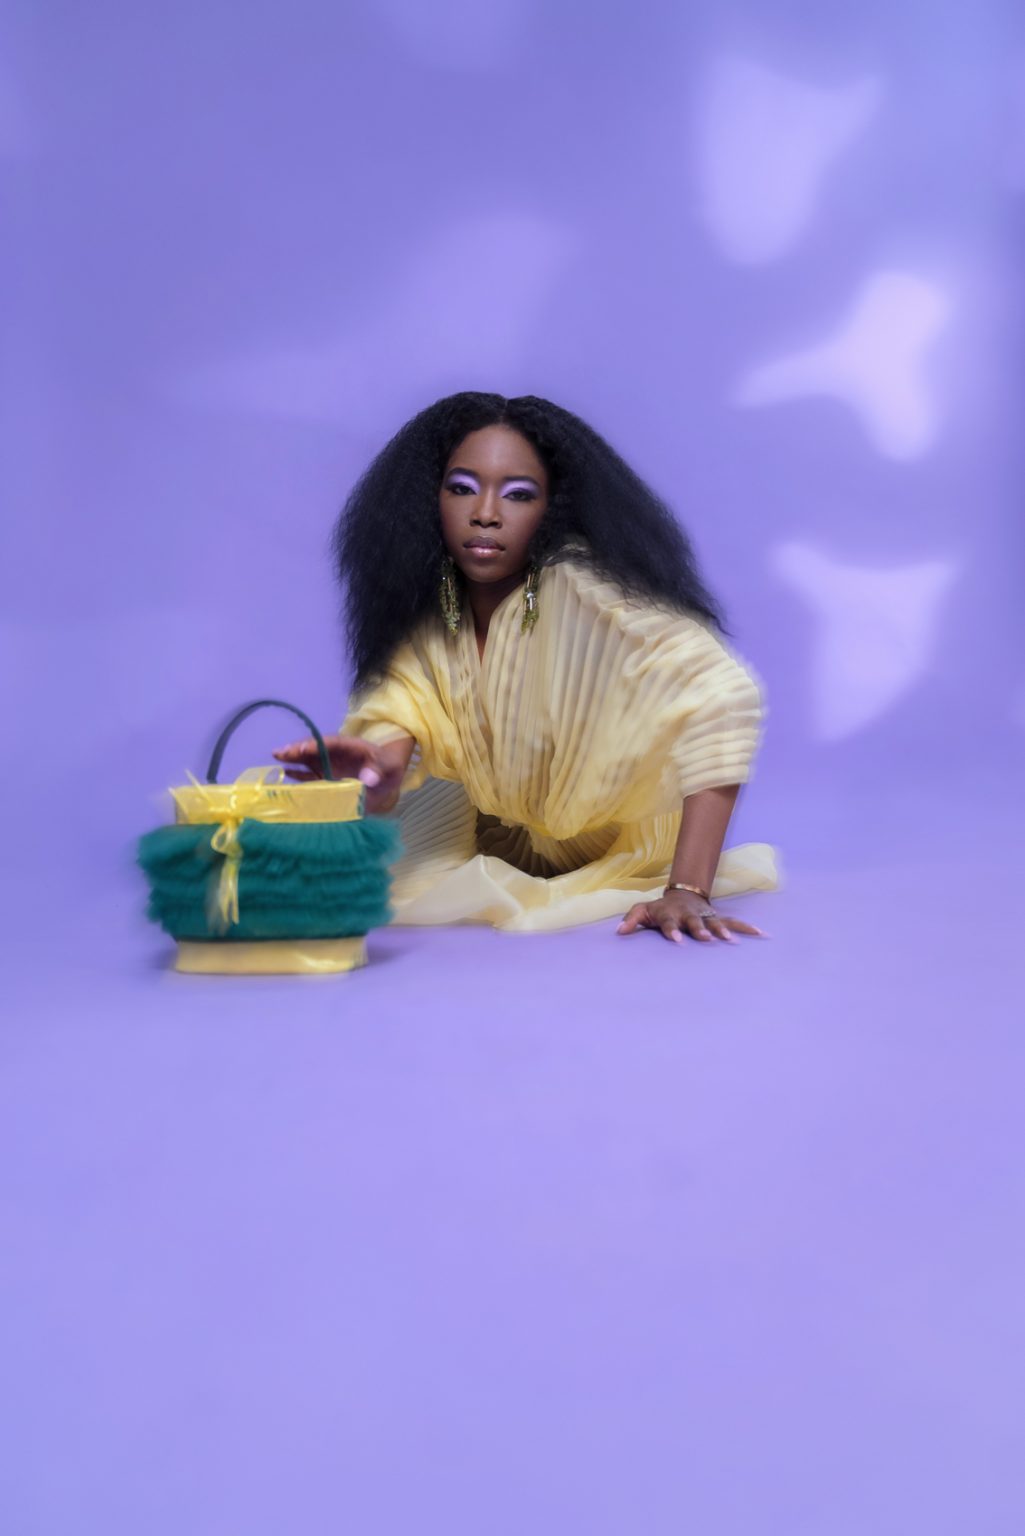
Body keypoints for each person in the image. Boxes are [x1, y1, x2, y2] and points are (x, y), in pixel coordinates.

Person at [273, 392, 781, 942]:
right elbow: (396, 715)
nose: (485, 513)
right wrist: (376, 776)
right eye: (462, 488)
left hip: (610, 840)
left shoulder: (581, 590)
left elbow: (721, 693)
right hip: (502, 839)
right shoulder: (430, 613)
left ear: (551, 508)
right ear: (427, 497)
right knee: (307, 855)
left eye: (518, 494)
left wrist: (688, 889)